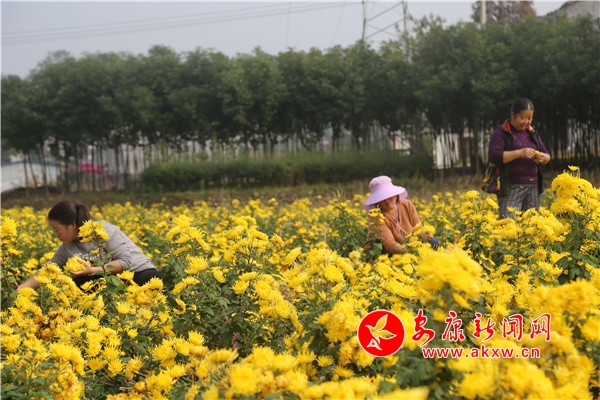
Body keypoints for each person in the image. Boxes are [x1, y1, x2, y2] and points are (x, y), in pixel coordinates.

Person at [17, 200, 162, 290]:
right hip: (112, 279)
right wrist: (22, 288)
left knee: (152, 279)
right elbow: (48, 269)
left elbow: (125, 262)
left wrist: (92, 270)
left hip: (138, 272)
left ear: (72, 225)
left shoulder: (102, 231)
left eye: (57, 229)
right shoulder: (68, 246)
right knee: (77, 280)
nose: (56, 234)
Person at [488, 98, 551, 219]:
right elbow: (494, 156)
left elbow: (546, 154)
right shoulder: (501, 133)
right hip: (510, 187)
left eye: (529, 118)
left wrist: (544, 158)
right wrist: (520, 153)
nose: (526, 122)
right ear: (513, 115)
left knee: (531, 225)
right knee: (509, 224)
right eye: (522, 118)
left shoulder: (532, 133)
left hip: (533, 187)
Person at [363, 176, 440, 255]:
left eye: (388, 195)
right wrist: (408, 251)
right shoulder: (376, 216)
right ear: (376, 202)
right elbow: (389, 243)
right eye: (381, 198)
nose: (386, 200)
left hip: (407, 243)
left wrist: (424, 236)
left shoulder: (407, 204)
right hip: (386, 248)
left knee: (434, 242)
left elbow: (418, 228)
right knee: (377, 245)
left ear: (395, 195)